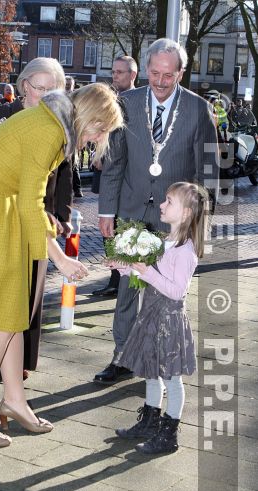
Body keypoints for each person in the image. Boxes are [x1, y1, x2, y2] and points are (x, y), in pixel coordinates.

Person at [0, 82, 123, 448]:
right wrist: (59, 257)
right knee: (1, 318)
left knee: (12, 311)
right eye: (100, 129)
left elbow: (28, 198)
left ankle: (13, 399)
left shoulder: (51, 123)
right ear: (90, 116)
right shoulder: (49, 131)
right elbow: (31, 200)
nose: (97, 137)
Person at [94, 38, 219, 384]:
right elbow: (115, 162)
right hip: (132, 210)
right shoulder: (127, 103)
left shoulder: (197, 109)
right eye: (155, 73)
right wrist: (106, 211)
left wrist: (197, 222)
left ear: (180, 72)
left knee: (162, 294)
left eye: (169, 74)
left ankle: (155, 363)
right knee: (126, 288)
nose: (161, 81)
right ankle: (121, 357)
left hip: (174, 219)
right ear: (145, 70)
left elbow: (208, 170)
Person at [0, 57, 70, 383]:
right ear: (24, 85)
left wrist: (61, 214)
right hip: (2, 217)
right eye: (39, 88)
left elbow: (64, 173)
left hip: (39, 219)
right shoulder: (2, 115)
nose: (45, 96)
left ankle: (20, 365)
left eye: (52, 89)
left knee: (30, 294)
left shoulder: (58, 123)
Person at [112, 182, 209, 454]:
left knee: (171, 379)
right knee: (150, 372)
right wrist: (125, 267)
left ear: (187, 213)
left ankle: (169, 436)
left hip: (168, 321)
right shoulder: (165, 241)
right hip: (151, 316)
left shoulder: (186, 251)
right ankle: (150, 422)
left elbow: (177, 291)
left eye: (169, 201)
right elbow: (149, 276)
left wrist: (146, 272)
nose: (162, 205)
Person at [92, 55, 138, 298]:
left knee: (121, 229)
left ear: (133, 75)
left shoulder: (136, 102)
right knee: (107, 229)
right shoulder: (109, 100)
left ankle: (120, 278)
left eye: (120, 72)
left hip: (125, 178)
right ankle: (114, 277)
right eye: (113, 71)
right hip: (106, 174)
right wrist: (97, 152)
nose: (115, 76)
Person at [65, 76, 83, 198]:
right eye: (66, 83)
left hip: (73, 133)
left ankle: (77, 189)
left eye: (69, 84)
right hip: (61, 133)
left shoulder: (76, 98)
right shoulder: (59, 97)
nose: (67, 86)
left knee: (74, 163)